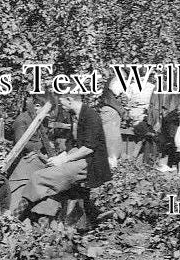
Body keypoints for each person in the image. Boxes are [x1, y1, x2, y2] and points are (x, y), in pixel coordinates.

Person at [12, 93, 111, 222]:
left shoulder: (91, 116)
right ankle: (41, 219)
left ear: (69, 100)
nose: (60, 106)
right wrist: (62, 156)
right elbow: (72, 143)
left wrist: (64, 160)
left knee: (39, 177)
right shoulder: (74, 115)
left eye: (61, 102)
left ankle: (15, 217)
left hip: (91, 163)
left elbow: (89, 148)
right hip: (79, 157)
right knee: (48, 172)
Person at [99, 75, 126, 169]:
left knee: (112, 138)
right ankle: (111, 166)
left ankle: (111, 164)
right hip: (111, 111)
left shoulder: (114, 78)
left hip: (110, 110)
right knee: (112, 139)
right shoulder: (118, 79)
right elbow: (117, 91)